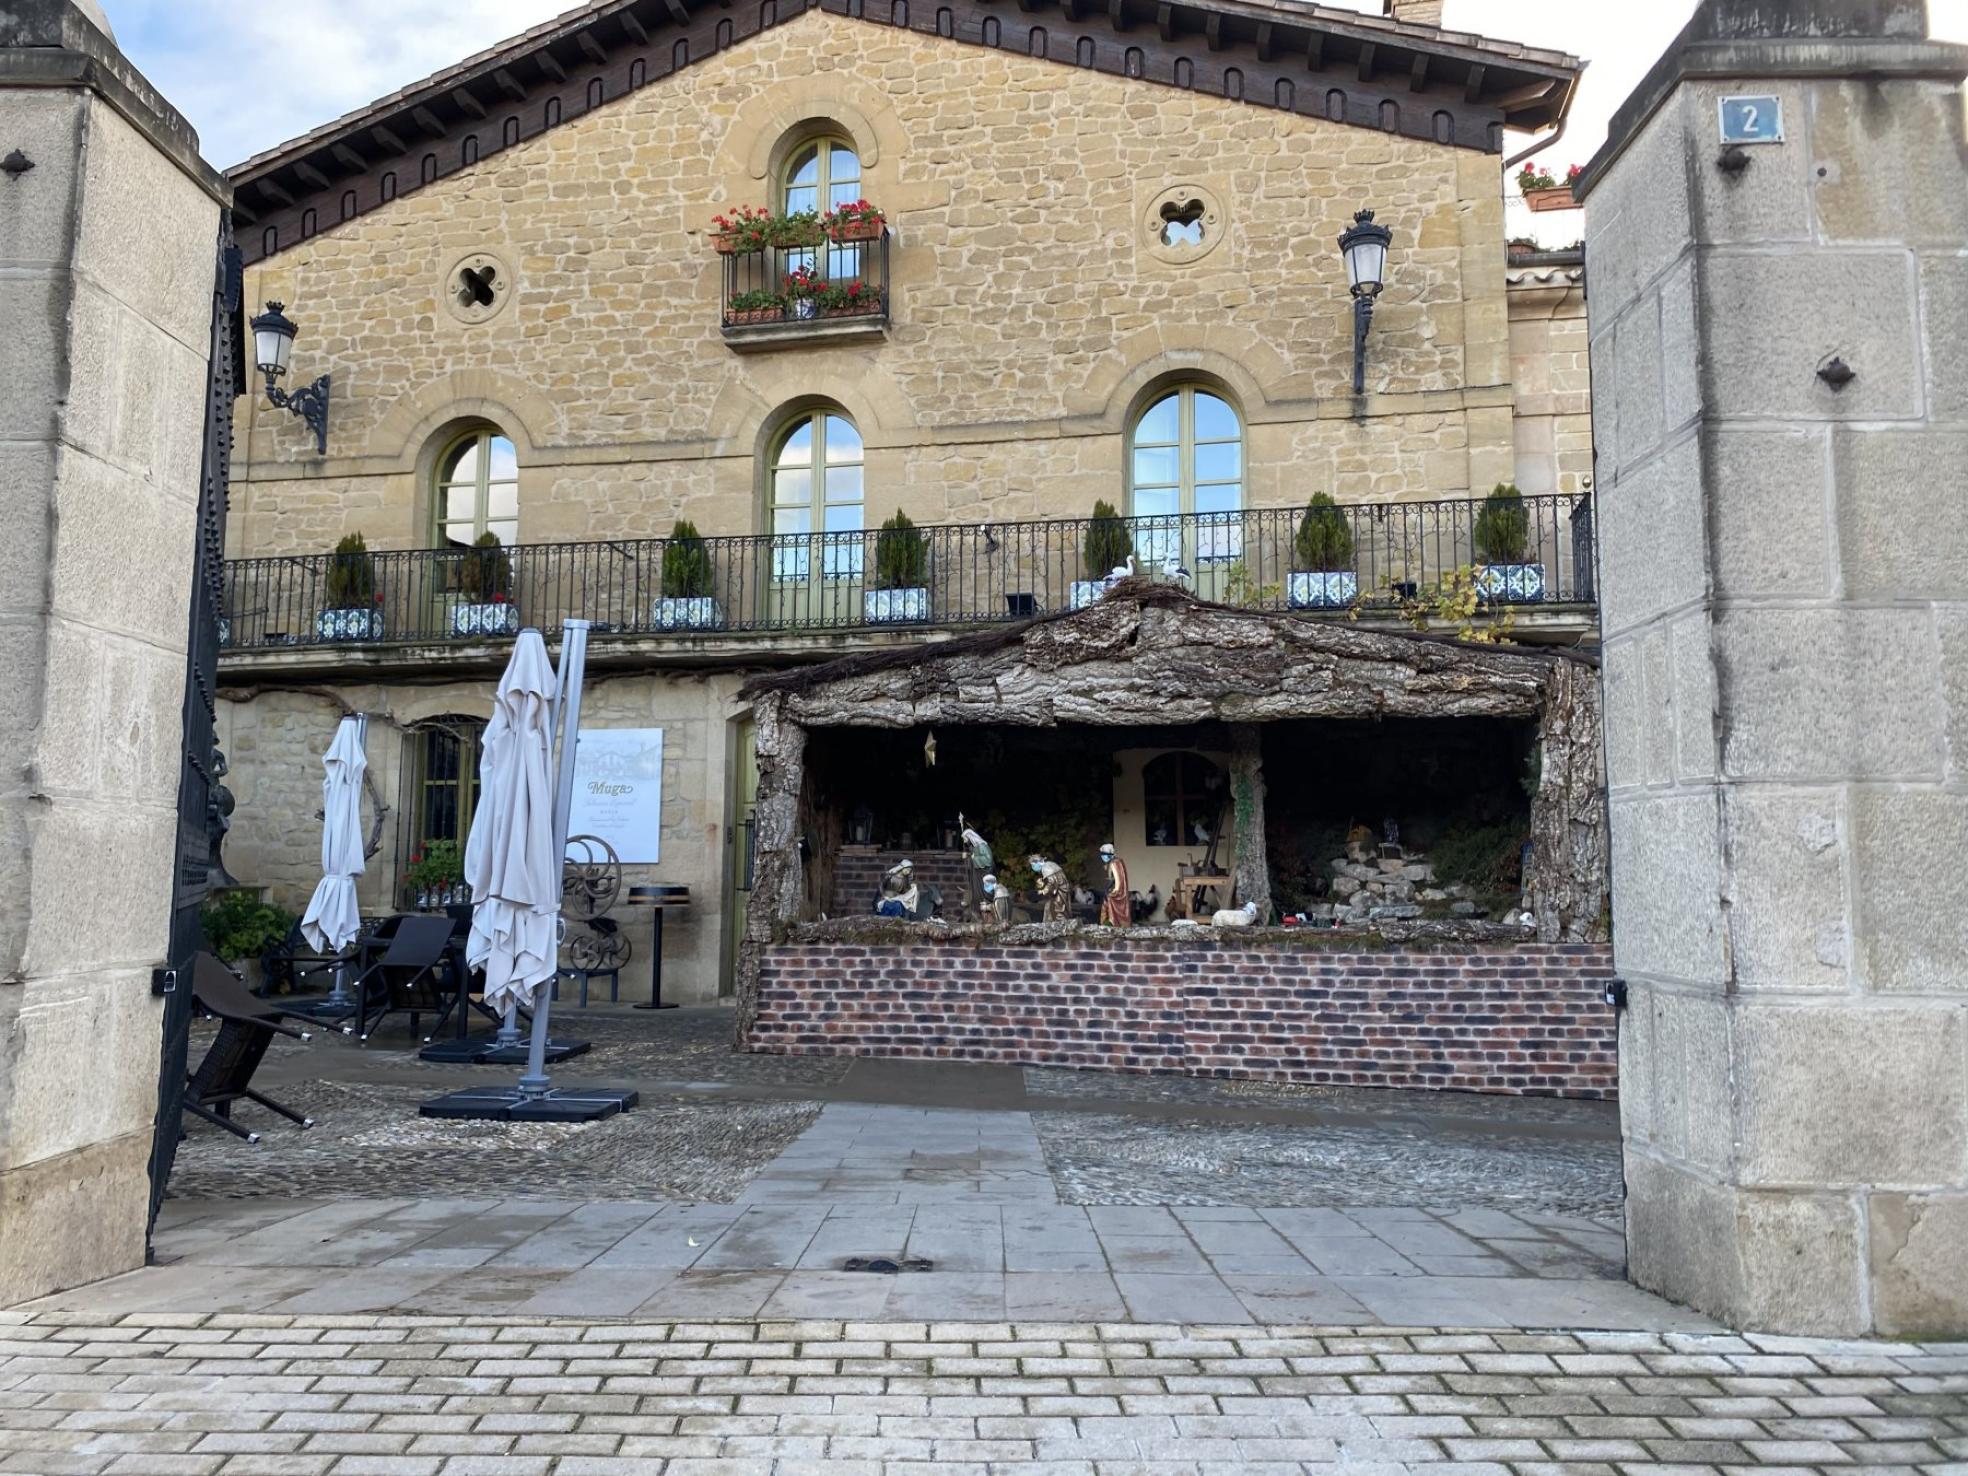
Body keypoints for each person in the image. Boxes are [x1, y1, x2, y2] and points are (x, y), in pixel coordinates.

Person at [1028, 853, 1071, 924]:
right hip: (1061, 890)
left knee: (1058, 911)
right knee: (1050, 908)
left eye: (1033, 865)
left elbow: (1052, 883)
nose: (1033, 867)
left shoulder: (1046, 868)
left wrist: (1043, 891)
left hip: (1059, 893)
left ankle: (1060, 926)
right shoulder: (1050, 864)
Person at [1097, 842, 1131, 928]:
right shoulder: (1117, 861)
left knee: (1108, 908)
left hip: (1116, 892)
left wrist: (1112, 893)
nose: (1102, 856)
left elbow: (1117, 880)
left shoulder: (1114, 863)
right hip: (1114, 890)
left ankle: (1110, 924)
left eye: (1104, 854)